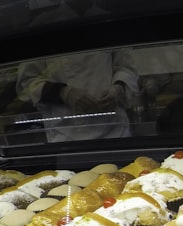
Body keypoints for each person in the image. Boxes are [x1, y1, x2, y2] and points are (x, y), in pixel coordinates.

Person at [16, 2, 139, 142]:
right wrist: (63, 93)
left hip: (114, 130)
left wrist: (118, 89)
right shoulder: (44, 25)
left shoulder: (109, 21)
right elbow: (27, 83)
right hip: (67, 137)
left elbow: (127, 68)